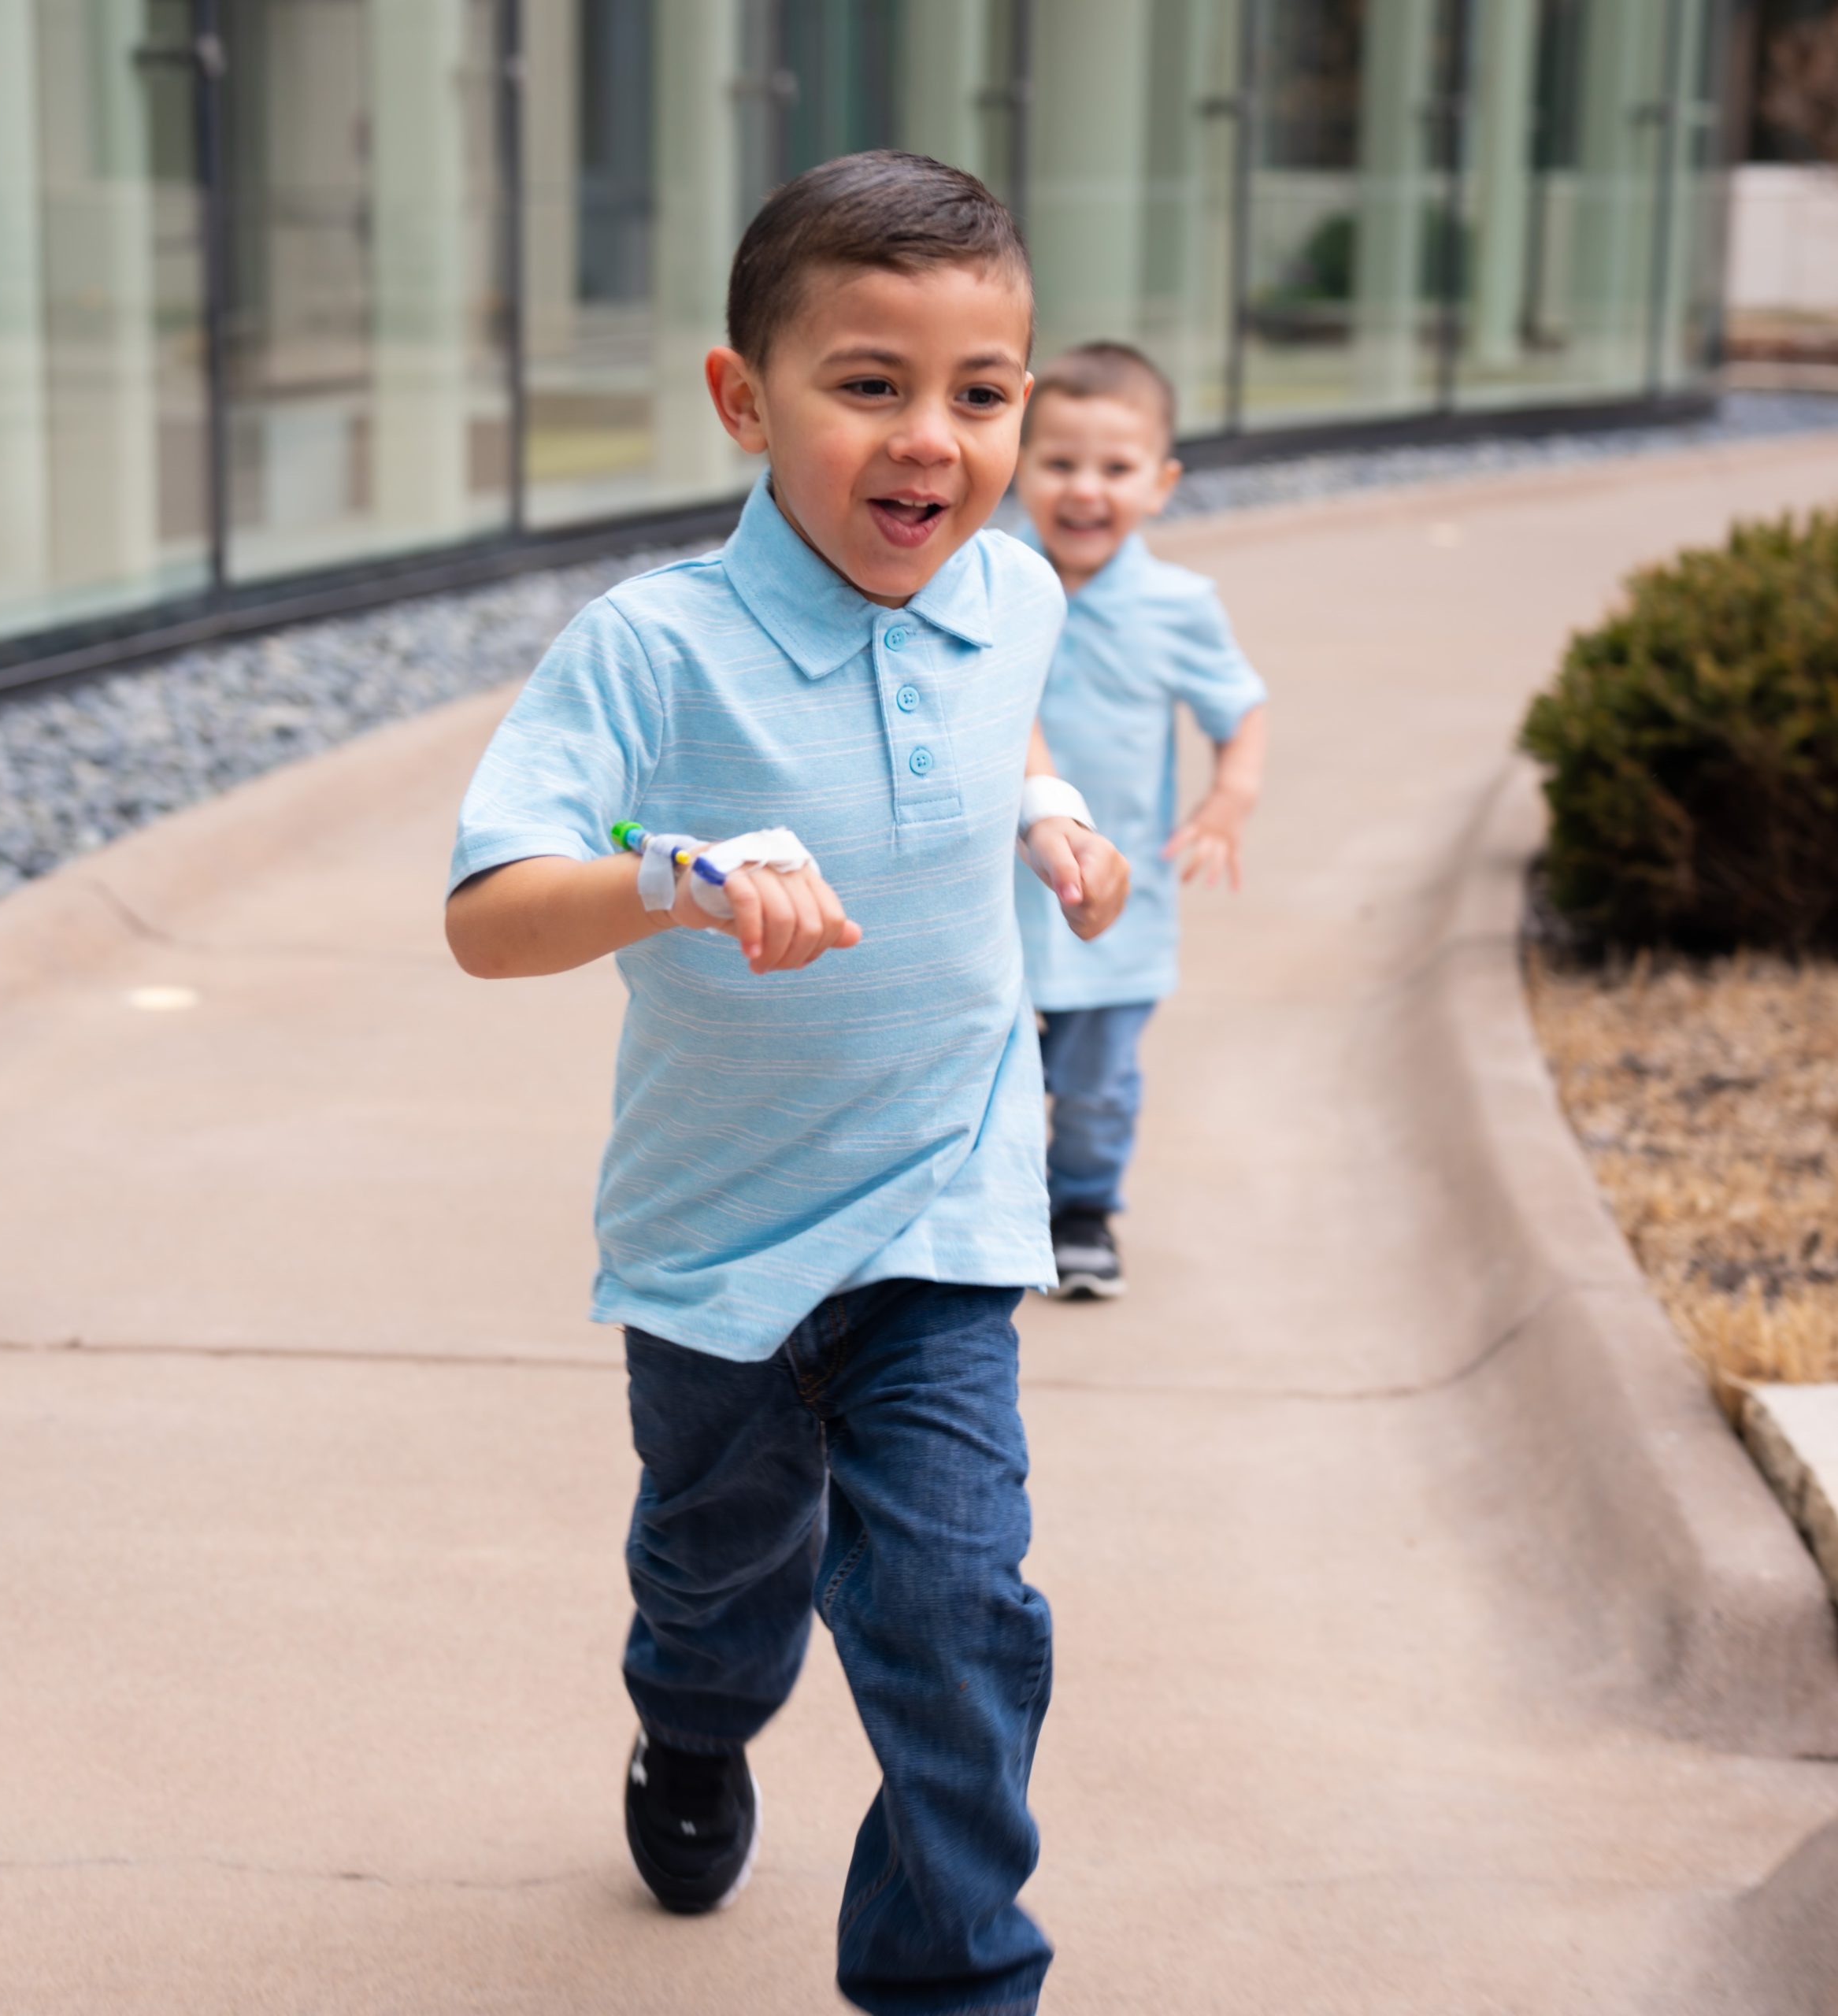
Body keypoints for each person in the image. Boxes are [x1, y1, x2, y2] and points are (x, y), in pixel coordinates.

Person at [443, 152, 1128, 2016]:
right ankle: (686, 1722)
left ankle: (948, 1979)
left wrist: (1049, 807)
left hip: (940, 1212)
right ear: (744, 399)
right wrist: (668, 869)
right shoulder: (653, 652)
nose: (934, 440)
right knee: (716, 1588)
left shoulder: (1009, 595)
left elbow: (1008, 713)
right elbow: (486, 915)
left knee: (956, 1623)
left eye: (979, 395)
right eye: (868, 385)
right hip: (718, 1252)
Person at [1013, 343, 1269, 1299]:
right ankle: (983, 1212)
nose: (1085, 490)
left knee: (1093, 1085)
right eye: (1059, 463)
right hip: (997, 892)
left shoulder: (1177, 606)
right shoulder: (987, 588)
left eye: (1115, 469)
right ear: (1018, 465)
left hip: (1122, 898)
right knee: (977, 1069)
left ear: (1160, 484)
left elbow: (1239, 710)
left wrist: (1228, 800)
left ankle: (1080, 1205)